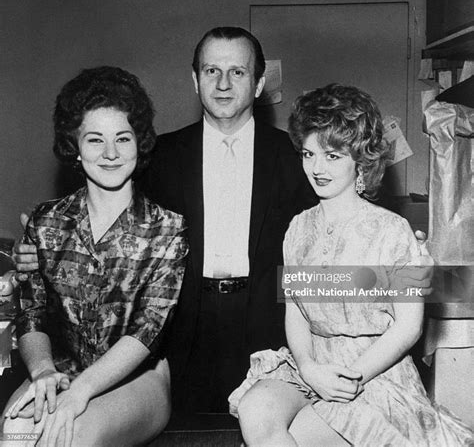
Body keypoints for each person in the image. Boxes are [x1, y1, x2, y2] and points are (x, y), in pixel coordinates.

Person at [12, 27, 431, 416]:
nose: (224, 83)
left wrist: (405, 251)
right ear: (195, 81)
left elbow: (344, 230)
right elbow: (108, 224)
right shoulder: (157, 157)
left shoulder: (300, 157)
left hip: (274, 330)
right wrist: (36, 251)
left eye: (238, 71)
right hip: (179, 332)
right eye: (212, 71)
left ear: (260, 84)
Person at [230, 84, 473, 446]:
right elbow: (295, 313)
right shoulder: (298, 228)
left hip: (374, 373)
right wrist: (310, 368)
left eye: (332, 156)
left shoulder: (394, 231)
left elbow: (408, 328)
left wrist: (350, 377)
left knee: (300, 433)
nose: (317, 168)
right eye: (309, 154)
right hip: (310, 365)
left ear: (360, 159)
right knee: (255, 411)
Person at [2, 66, 188, 447]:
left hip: (140, 379)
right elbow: (30, 312)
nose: (110, 153)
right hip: (63, 369)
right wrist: (42, 373)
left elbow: (147, 329)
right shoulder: (46, 221)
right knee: (15, 433)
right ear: (74, 146)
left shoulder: (167, 229)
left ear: (140, 142)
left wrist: (79, 393)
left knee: (75, 436)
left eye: (123, 138)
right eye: (94, 140)